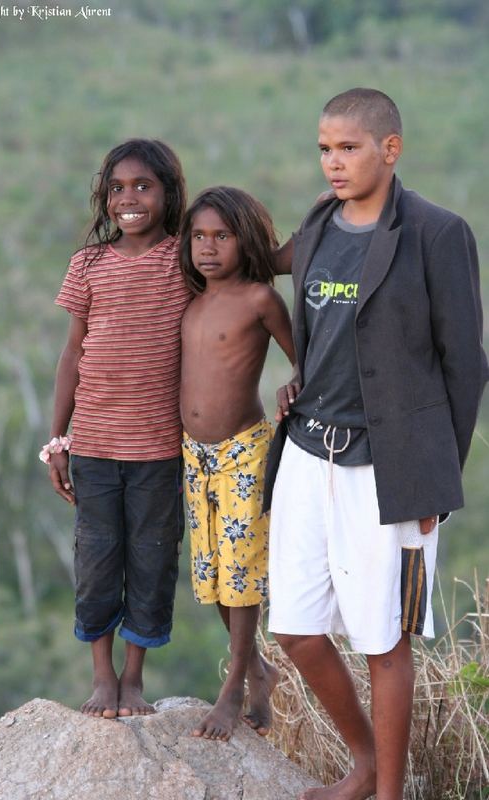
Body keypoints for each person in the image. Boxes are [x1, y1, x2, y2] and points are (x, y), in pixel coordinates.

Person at [264, 88, 488, 799]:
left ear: (390, 150)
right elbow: (327, 328)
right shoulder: (319, 223)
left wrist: (435, 482)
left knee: (384, 641)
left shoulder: (437, 232)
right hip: (306, 453)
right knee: (297, 631)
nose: (333, 162)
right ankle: (361, 762)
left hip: (390, 468)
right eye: (324, 148)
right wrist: (301, 381)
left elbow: (465, 364)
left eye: (349, 148)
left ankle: (388, 790)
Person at [40, 139, 191, 719]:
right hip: (96, 448)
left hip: (159, 450)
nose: (128, 199)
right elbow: (72, 353)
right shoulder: (90, 263)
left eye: (143, 186)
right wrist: (58, 441)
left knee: (152, 559)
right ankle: (101, 677)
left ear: (168, 193)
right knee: (98, 558)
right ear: (104, 198)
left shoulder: (184, 262)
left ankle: (133, 680)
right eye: (117, 189)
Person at [179, 186, 296, 741]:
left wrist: (295, 381)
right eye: (199, 236)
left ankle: (233, 690)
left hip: (244, 451)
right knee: (213, 576)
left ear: (244, 240)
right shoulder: (190, 299)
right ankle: (259, 671)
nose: (208, 247)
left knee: (242, 573)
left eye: (221, 236)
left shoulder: (259, 301)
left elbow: (307, 360)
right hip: (193, 455)